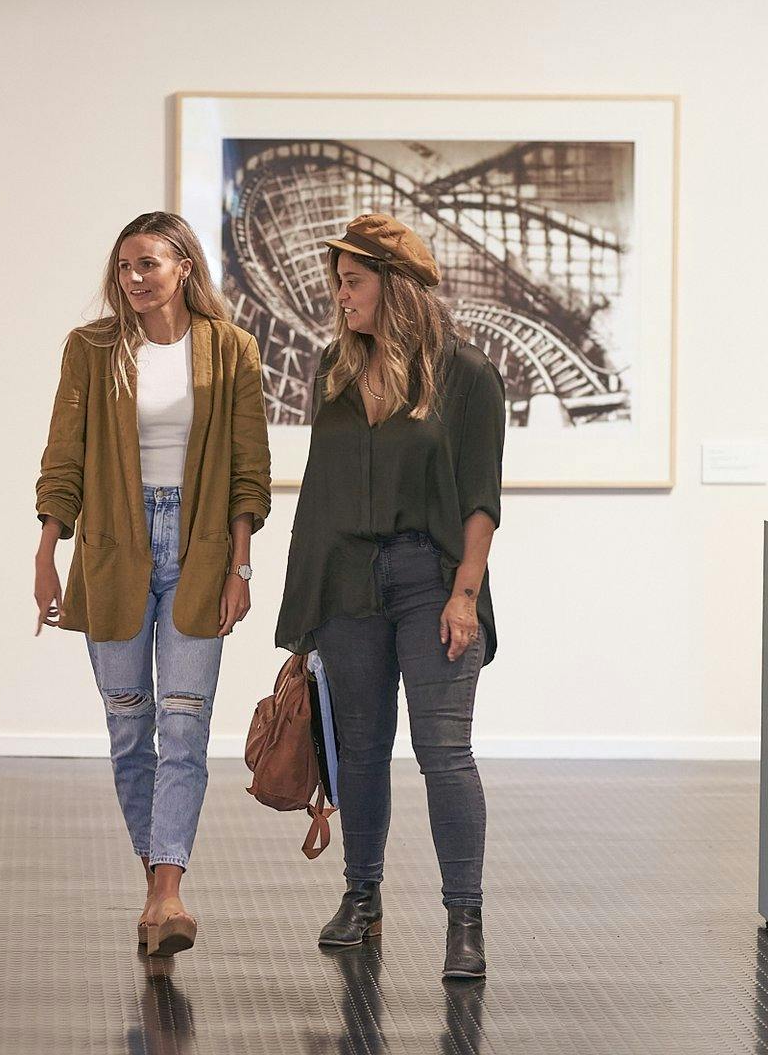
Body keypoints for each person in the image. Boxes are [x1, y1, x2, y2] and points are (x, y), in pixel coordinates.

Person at [276, 213, 507, 978]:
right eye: (337, 283)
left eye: (353, 283)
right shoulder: (332, 373)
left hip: (432, 581)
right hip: (345, 583)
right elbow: (319, 492)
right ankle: (362, 900)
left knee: (445, 755)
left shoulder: (469, 377)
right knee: (362, 752)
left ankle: (464, 921)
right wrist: (304, 606)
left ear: (396, 288)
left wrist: (464, 596)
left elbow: (480, 500)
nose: (341, 298)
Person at [34, 211, 272, 956]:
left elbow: (247, 470)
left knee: (186, 722)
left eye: (150, 264)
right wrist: (47, 549)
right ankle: (155, 889)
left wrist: (239, 566)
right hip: (112, 547)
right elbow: (63, 456)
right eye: (126, 266)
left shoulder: (230, 349)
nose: (135, 279)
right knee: (130, 723)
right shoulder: (92, 348)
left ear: (185, 268)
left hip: (199, 552)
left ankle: (170, 892)